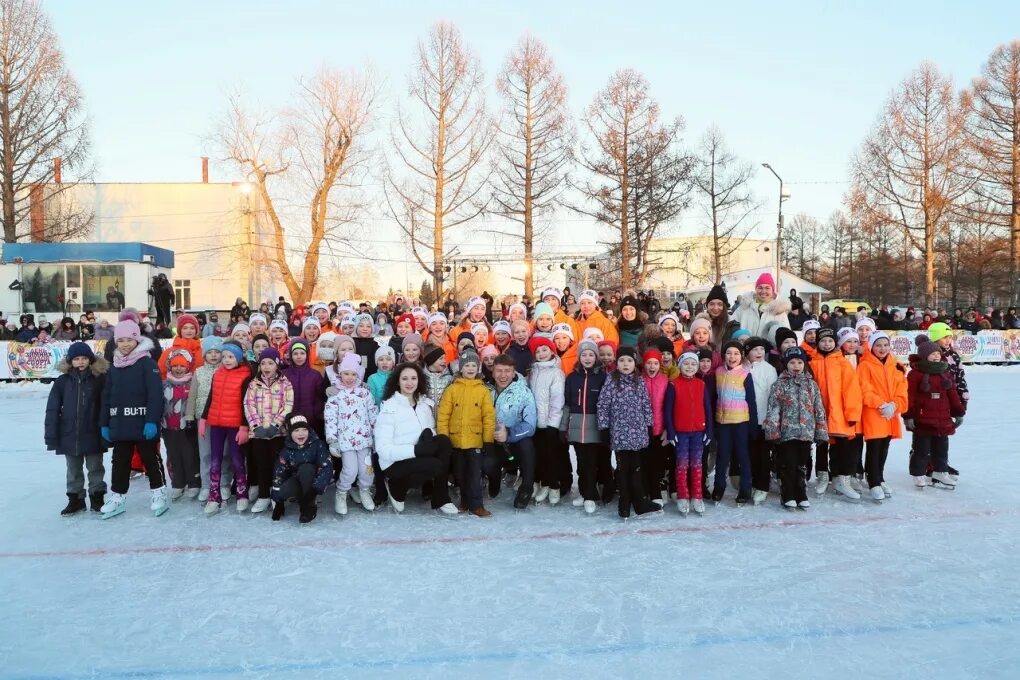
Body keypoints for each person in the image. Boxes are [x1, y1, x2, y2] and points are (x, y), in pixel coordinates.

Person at [98, 320, 168, 519]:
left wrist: (152, 420)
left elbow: (155, 394)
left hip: (143, 422)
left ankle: (159, 492)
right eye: (121, 340)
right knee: (119, 461)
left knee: (150, 459)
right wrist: (104, 423)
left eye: (130, 339)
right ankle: (118, 496)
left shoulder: (146, 363)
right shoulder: (114, 366)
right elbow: (107, 396)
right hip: (120, 423)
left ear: (137, 339)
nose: (126, 344)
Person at [597, 347, 661, 519]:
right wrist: (604, 428)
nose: (625, 364)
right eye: (622, 361)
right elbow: (603, 405)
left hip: (638, 432)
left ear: (635, 363)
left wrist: (649, 425)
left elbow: (646, 405)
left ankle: (639, 502)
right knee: (623, 469)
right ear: (616, 363)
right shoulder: (611, 380)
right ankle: (624, 503)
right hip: (619, 433)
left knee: (637, 469)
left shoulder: (639, 381)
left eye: (629, 361)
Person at [45, 342, 108, 516]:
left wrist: (106, 428)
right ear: (70, 361)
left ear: (90, 360)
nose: (80, 362)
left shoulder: (99, 379)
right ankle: (76, 500)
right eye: (77, 359)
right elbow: (52, 409)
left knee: (95, 467)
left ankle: (97, 498)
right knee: (73, 470)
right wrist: (51, 434)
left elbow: (106, 405)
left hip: (93, 432)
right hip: (69, 434)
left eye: (84, 358)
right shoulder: (62, 382)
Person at [762, 347, 827, 509]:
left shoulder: (811, 385)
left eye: (799, 362)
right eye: (792, 362)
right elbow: (774, 409)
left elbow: (819, 409)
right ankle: (788, 494)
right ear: (786, 364)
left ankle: (801, 493)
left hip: (806, 432)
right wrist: (773, 431)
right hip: (787, 433)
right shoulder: (779, 385)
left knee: (802, 464)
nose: (796, 365)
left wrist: (821, 431)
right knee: (788, 464)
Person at [437, 349, 496, 517]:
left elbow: (488, 417)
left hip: (475, 441)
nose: (470, 368)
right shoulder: (452, 389)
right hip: (456, 442)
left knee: (475, 475)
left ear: (478, 368)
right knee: (460, 475)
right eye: (467, 365)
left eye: (474, 365)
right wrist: (444, 439)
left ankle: (477, 504)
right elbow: (443, 415)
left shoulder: (483, 390)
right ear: (460, 368)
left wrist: (488, 440)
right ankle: (464, 501)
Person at [199, 342, 253, 516]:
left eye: (231, 357)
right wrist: (204, 418)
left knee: (237, 460)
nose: (226, 360)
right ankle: (214, 496)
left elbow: (247, 403)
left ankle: (241, 493)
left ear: (239, 358)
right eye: (224, 357)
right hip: (216, 424)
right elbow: (210, 397)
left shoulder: (246, 375)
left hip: (235, 425)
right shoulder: (218, 373)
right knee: (215, 460)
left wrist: (244, 426)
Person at [905, 337, 964, 489]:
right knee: (921, 449)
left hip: (943, 418)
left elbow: (952, 394)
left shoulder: (945, 372)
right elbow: (909, 396)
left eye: (938, 353)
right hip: (923, 418)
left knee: (942, 448)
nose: (937, 356)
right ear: (924, 356)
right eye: (933, 354)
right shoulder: (915, 374)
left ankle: (940, 471)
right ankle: (918, 474)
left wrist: (958, 411)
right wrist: (908, 415)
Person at [325, 353, 379, 514]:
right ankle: (341, 493)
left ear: (358, 375)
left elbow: (373, 414)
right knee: (350, 470)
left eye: (353, 374)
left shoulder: (365, 394)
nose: (349, 377)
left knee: (367, 470)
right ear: (340, 374)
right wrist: (332, 440)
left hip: (365, 441)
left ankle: (364, 490)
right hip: (345, 442)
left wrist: (376, 436)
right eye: (346, 373)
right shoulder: (335, 396)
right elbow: (330, 419)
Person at [560, 339, 609, 513]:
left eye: (591, 354)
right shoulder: (572, 378)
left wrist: (606, 427)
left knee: (592, 462)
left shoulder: (603, 377)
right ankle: (584, 492)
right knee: (581, 463)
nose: (587, 358)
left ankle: (590, 495)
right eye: (584, 354)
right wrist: (563, 427)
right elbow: (566, 404)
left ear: (596, 357)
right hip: (576, 425)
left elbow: (607, 404)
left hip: (595, 425)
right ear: (579, 357)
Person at [243, 347, 294, 514]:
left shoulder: (285, 383)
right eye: (263, 363)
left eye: (270, 363)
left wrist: (275, 425)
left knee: (277, 465)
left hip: (277, 433)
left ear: (277, 364)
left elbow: (288, 405)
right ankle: (263, 495)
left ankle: (276, 495)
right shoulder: (253, 384)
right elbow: (248, 405)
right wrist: (257, 426)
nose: (266, 366)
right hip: (258, 434)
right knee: (261, 464)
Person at [858, 331, 907, 501]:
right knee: (874, 447)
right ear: (871, 347)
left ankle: (880, 477)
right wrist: (880, 404)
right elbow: (864, 389)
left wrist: (895, 405)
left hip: (890, 413)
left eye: (885, 345)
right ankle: (873, 481)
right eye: (878, 345)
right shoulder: (865, 365)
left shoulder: (896, 366)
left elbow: (902, 390)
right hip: (874, 412)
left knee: (884, 446)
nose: (882, 348)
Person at [486, 354, 538, 510]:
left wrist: (509, 433)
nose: (503, 375)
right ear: (493, 372)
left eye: (507, 371)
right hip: (492, 442)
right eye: (499, 371)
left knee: (527, 445)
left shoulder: (523, 392)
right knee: (487, 463)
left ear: (514, 372)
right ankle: (493, 479)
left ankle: (526, 488)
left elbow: (530, 425)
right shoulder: (485, 390)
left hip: (514, 444)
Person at [664, 351, 713, 515]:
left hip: (699, 432)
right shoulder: (673, 384)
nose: (690, 367)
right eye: (686, 364)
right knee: (682, 465)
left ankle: (697, 496)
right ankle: (683, 496)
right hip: (681, 432)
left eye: (693, 364)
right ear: (680, 365)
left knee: (697, 465)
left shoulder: (701, 384)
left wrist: (709, 429)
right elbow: (668, 410)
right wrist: (671, 432)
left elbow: (707, 408)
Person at [185, 336, 232, 503]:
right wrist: (190, 416)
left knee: (224, 453)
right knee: (205, 453)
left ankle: (224, 483)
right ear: (204, 355)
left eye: (217, 352)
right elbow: (192, 396)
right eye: (210, 352)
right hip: (203, 420)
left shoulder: (226, 371)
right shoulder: (199, 372)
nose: (213, 355)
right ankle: (206, 484)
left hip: (223, 418)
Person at [712, 341, 757, 505]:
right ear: (724, 355)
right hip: (723, 422)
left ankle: (745, 488)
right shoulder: (718, 372)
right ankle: (719, 487)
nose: (732, 357)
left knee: (742, 455)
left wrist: (753, 425)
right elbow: (715, 397)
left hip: (740, 422)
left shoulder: (745, 374)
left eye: (736, 353)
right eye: (729, 353)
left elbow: (751, 401)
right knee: (722, 456)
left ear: (741, 356)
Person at [270, 413, 333, 523]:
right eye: (296, 430)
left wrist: (314, 490)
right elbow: (279, 472)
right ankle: (299, 496)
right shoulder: (287, 450)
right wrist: (278, 501)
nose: (301, 433)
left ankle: (308, 508)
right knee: (282, 492)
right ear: (290, 433)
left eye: (304, 429)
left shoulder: (317, 445)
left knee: (306, 468)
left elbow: (327, 467)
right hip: (296, 480)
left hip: (313, 481)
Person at [527, 335, 566, 504]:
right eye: (538, 351)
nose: (541, 354)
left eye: (545, 350)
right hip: (534, 423)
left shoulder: (556, 373)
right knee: (538, 456)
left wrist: (553, 424)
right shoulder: (533, 371)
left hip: (549, 423)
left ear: (551, 351)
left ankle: (554, 485)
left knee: (551, 456)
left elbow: (557, 401)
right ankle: (541, 483)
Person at [161, 348, 201, 501]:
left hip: (187, 427)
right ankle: (178, 482)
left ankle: (193, 482)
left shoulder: (191, 383)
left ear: (188, 367)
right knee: (174, 455)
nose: (178, 369)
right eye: (175, 365)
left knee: (189, 454)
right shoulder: (164, 384)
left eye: (182, 366)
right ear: (170, 366)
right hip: (168, 427)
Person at [745, 337, 778, 505]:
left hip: (764, 419)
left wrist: (771, 418)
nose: (759, 353)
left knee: (763, 454)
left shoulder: (769, 369)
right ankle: (752, 482)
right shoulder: (742, 368)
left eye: (761, 350)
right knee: (750, 453)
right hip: (746, 419)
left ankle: (763, 485)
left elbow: (773, 395)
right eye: (755, 350)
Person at [640, 349, 670, 505]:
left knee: (658, 463)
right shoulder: (638, 380)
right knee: (644, 461)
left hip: (660, 429)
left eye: (655, 363)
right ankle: (644, 490)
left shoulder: (665, 381)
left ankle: (656, 490)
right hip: (642, 429)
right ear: (644, 364)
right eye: (649, 363)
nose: (652, 366)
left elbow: (668, 407)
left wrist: (667, 429)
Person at [733, 273, 791, 342]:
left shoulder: (779, 311)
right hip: (745, 350)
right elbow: (731, 328)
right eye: (760, 288)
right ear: (755, 289)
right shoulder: (743, 308)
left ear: (772, 291)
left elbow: (787, 338)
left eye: (767, 288)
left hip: (770, 352)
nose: (763, 291)